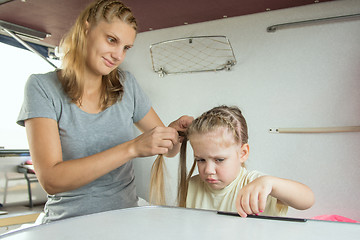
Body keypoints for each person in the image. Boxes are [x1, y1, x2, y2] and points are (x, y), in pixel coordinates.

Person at [16, 0, 192, 223]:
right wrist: (131, 148)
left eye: (126, 48)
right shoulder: (41, 88)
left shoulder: (127, 85)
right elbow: (51, 179)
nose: (118, 55)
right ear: (86, 29)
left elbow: (168, 151)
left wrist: (172, 134)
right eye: (112, 40)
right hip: (68, 222)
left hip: (124, 218)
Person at [177, 105, 314, 217]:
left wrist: (271, 183)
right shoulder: (192, 186)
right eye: (200, 160)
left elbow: (307, 200)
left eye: (219, 159)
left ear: (243, 153)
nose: (208, 170)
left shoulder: (257, 184)